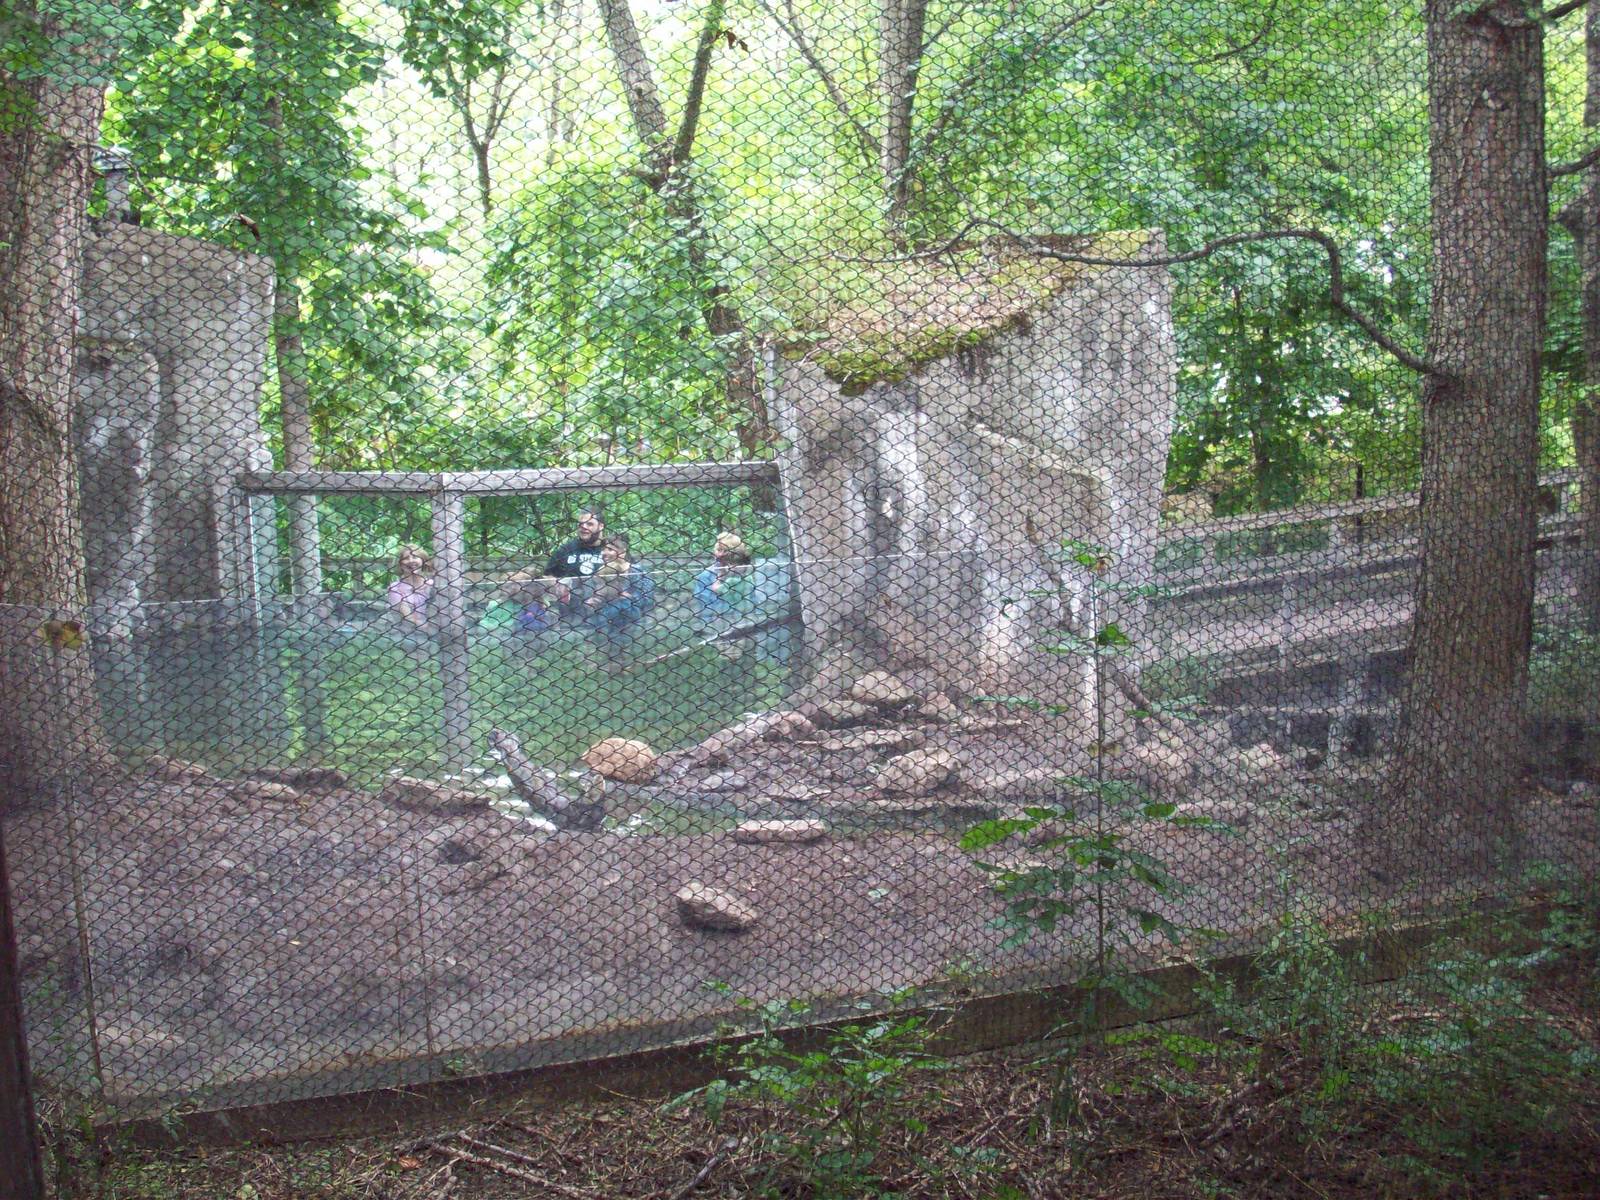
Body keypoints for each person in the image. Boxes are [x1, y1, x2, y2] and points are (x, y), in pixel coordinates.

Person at [585, 534, 655, 650]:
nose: (604, 552)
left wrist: (628, 597)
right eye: (603, 549)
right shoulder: (600, 571)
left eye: (610, 549)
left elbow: (648, 599)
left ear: (623, 551)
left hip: (631, 623)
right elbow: (590, 596)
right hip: (603, 622)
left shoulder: (636, 571)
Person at [386, 544, 433, 630]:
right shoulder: (395, 588)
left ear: (423, 561)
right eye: (406, 558)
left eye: (415, 557)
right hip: (407, 633)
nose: (411, 561)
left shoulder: (432, 585)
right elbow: (408, 618)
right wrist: (431, 629)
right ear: (400, 564)